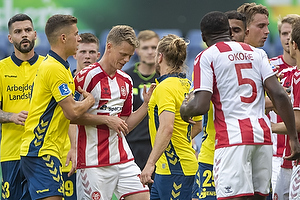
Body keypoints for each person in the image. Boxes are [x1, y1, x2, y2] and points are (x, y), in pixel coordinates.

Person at [180, 11, 300, 200]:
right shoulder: (257, 53)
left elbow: (201, 105)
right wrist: (293, 137)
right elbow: (279, 95)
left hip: (232, 138)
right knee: (258, 197)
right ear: (228, 31)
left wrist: (185, 109)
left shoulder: (207, 56)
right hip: (263, 138)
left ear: (203, 37)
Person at [73, 25, 155, 200]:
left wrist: (146, 105)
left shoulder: (126, 80)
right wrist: (106, 120)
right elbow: (71, 116)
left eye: (130, 56)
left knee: (143, 196)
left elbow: (125, 125)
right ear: (109, 47)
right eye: (123, 54)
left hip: (122, 157)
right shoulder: (86, 77)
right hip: (92, 162)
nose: (126, 59)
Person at [20, 14, 95, 200]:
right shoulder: (54, 69)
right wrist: (89, 102)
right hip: (41, 149)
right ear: (63, 38)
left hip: (44, 150)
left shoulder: (61, 67)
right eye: (76, 34)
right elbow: (72, 112)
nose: (79, 38)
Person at [191, 10, 247, 200]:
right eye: (230, 30)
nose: (232, 35)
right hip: (213, 151)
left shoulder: (258, 61)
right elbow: (200, 107)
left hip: (247, 148)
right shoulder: (209, 61)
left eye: (236, 30)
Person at [139, 34, 202, 200]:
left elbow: (167, 128)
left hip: (175, 169)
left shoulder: (164, 88)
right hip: (171, 168)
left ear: (160, 57)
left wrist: (149, 164)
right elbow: (198, 125)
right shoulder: (187, 85)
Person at [0, 13, 44, 200]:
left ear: (34, 34)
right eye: (18, 32)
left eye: (27, 30)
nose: (24, 34)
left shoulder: (49, 66)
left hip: (44, 152)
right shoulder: (1, 69)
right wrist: (11, 117)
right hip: (12, 152)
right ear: (10, 38)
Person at [61, 32, 101, 200]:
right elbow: (70, 117)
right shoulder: (65, 81)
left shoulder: (106, 85)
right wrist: (74, 148)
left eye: (92, 52)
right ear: (74, 53)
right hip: (67, 155)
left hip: (98, 156)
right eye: (83, 52)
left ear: (98, 55)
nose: (87, 56)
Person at [268, 14, 300, 200]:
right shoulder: (271, 69)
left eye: (291, 33)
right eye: (284, 33)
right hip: (276, 154)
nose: (288, 38)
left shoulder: (295, 75)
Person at [124, 30, 159, 178]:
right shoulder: (126, 77)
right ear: (137, 50)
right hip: (132, 144)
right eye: (145, 48)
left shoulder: (164, 78)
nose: (150, 52)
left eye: (154, 47)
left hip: (158, 146)